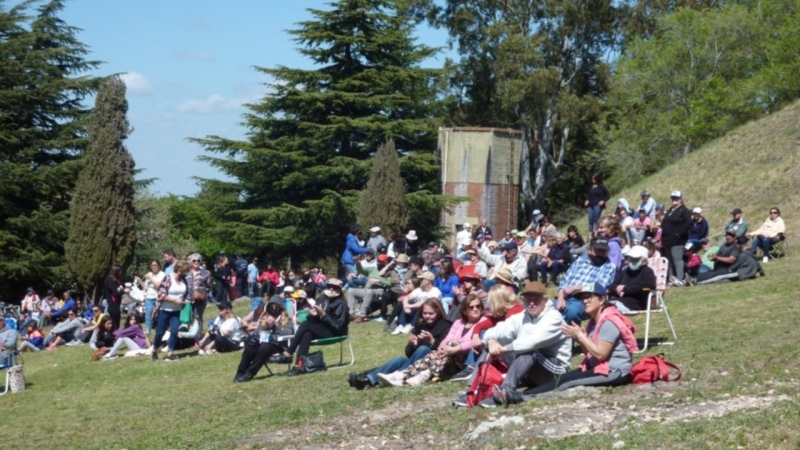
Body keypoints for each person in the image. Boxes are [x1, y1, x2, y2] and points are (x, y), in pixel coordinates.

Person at [494, 282, 637, 406]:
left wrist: (580, 336)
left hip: (614, 372)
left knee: (568, 384)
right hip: (600, 367)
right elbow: (590, 355)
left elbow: (601, 354)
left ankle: (521, 398)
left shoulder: (609, 322)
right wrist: (581, 338)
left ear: (601, 300)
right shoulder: (594, 322)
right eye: (583, 298)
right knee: (562, 379)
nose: (585, 301)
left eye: (589, 297)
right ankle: (522, 394)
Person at [462, 282, 572, 408]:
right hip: (532, 369)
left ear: (545, 300)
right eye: (528, 299)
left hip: (555, 372)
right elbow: (496, 330)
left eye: (536, 299)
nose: (531, 303)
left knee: (530, 349)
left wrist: (505, 349)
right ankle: (474, 389)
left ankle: (505, 391)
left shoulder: (554, 317)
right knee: (490, 348)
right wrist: (492, 340)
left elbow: (534, 341)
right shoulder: (522, 316)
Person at [377, 294, 488, 387]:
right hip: (448, 357)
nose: (475, 309)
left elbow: (473, 343)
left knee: (440, 352)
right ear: (464, 309)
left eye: (478, 306)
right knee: (437, 353)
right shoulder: (459, 323)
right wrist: (443, 348)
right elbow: (448, 338)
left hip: (465, 359)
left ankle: (402, 375)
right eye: (471, 307)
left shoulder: (484, 322)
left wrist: (453, 348)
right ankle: (417, 375)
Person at [352, 298, 451, 388]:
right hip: (414, 363)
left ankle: (395, 376)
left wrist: (432, 341)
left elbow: (443, 351)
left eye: (431, 313)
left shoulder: (446, 327)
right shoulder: (420, 326)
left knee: (424, 349)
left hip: (431, 364)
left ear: (438, 312)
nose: (427, 316)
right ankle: (368, 380)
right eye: (425, 313)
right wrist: (413, 345)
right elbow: (408, 354)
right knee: (398, 359)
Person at [279, 278, 349, 376]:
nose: (331, 289)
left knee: (305, 325)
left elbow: (338, 326)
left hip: (336, 332)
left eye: (335, 287)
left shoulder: (341, 304)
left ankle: (289, 353)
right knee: (307, 333)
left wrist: (324, 314)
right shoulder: (322, 299)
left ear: (339, 289)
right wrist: (312, 315)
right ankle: (298, 366)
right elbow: (312, 320)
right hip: (323, 328)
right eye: (329, 286)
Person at [554, 237, 616, 325]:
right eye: (598, 250)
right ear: (589, 249)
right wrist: (561, 296)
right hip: (566, 298)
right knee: (545, 306)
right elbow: (564, 280)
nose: (601, 254)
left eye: (604, 251)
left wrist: (575, 288)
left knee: (572, 311)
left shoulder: (609, 267)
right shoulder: (579, 261)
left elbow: (598, 287)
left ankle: (571, 336)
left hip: (586, 300)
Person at [234, 298, 295, 382]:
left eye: (276, 307)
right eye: (271, 307)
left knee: (265, 347)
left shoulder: (286, 320)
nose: (273, 309)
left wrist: (274, 326)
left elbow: (287, 333)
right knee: (250, 347)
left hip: (279, 346)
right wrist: (265, 327)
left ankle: (250, 373)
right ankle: (240, 372)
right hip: (263, 343)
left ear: (281, 308)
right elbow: (258, 333)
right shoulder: (264, 318)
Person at [152, 259, 191, 362]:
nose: (185, 273)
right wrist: (175, 300)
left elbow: (185, 293)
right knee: (160, 332)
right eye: (184, 270)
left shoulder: (184, 280)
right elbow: (161, 295)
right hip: (164, 310)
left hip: (177, 311)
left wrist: (186, 301)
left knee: (174, 331)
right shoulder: (168, 278)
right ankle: (155, 349)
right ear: (178, 269)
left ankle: (170, 353)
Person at [608, 245, 657, 312]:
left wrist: (625, 289)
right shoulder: (625, 271)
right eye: (631, 259)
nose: (632, 261)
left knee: (609, 309)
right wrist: (618, 289)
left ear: (644, 261)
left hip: (635, 304)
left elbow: (649, 285)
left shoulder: (647, 271)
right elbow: (613, 285)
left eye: (635, 259)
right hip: (618, 301)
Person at [661, 191, 692, 283]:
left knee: (677, 259)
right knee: (669, 261)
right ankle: (671, 278)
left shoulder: (684, 211)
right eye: (673, 198)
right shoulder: (670, 210)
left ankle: (679, 278)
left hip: (678, 241)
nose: (674, 200)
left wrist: (679, 233)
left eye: (676, 198)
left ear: (680, 199)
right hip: (667, 240)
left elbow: (689, 223)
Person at [136, 259, 166, 334]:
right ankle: (147, 331)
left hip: (158, 298)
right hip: (149, 298)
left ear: (159, 266)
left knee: (159, 316)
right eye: (152, 265)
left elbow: (159, 286)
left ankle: (160, 331)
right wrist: (140, 281)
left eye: (155, 265)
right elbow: (145, 288)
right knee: (148, 315)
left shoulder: (162, 274)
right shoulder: (149, 274)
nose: (154, 267)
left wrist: (151, 278)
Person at [186, 253, 212, 331]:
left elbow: (209, 286)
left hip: (200, 299)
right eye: (194, 261)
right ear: (190, 262)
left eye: (198, 260)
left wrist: (202, 291)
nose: (196, 262)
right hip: (188, 299)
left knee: (198, 316)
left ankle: (199, 335)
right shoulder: (186, 273)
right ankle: (190, 336)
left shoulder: (206, 273)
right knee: (189, 317)